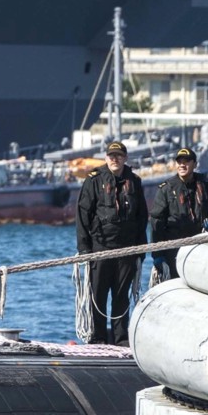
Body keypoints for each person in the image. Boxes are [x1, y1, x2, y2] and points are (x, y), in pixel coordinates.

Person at [75, 139, 148, 345]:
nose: (115, 159)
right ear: (106, 158)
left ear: (125, 158)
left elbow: (142, 217)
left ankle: (120, 337)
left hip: (126, 248)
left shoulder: (134, 181)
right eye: (111, 156)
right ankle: (97, 336)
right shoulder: (94, 180)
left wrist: (141, 249)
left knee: (121, 295)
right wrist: (84, 248)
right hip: (101, 247)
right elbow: (82, 214)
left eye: (119, 156)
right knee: (98, 295)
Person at [150, 146, 208, 279]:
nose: (182, 165)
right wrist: (157, 255)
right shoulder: (166, 189)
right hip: (174, 249)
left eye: (186, 161)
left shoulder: (205, 187)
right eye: (179, 162)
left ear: (194, 164)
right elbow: (156, 222)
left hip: (200, 247)